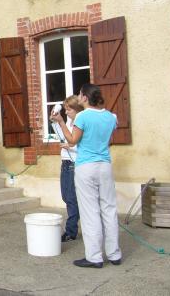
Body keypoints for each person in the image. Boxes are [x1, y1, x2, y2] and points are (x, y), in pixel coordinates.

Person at [51, 83, 122, 268]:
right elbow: (108, 141)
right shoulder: (110, 117)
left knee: (90, 212)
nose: (79, 96)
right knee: (109, 209)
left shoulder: (82, 117)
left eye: (80, 95)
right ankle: (114, 254)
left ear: (84, 97)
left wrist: (60, 122)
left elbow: (73, 141)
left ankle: (94, 257)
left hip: (86, 167)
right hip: (105, 166)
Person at [56, 95, 83, 243]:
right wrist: (57, 122)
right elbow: (64, 136)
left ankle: (71, 231)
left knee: (71, 198)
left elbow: (80, 144)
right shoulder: (70, 121)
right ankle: (73, 228)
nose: (67, 112)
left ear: (77, 109)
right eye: (65, 109)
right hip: (65, 162)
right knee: (66, 196)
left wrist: (70, 146)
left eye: (69, 109)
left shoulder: (81, 122)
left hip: (74, 163)